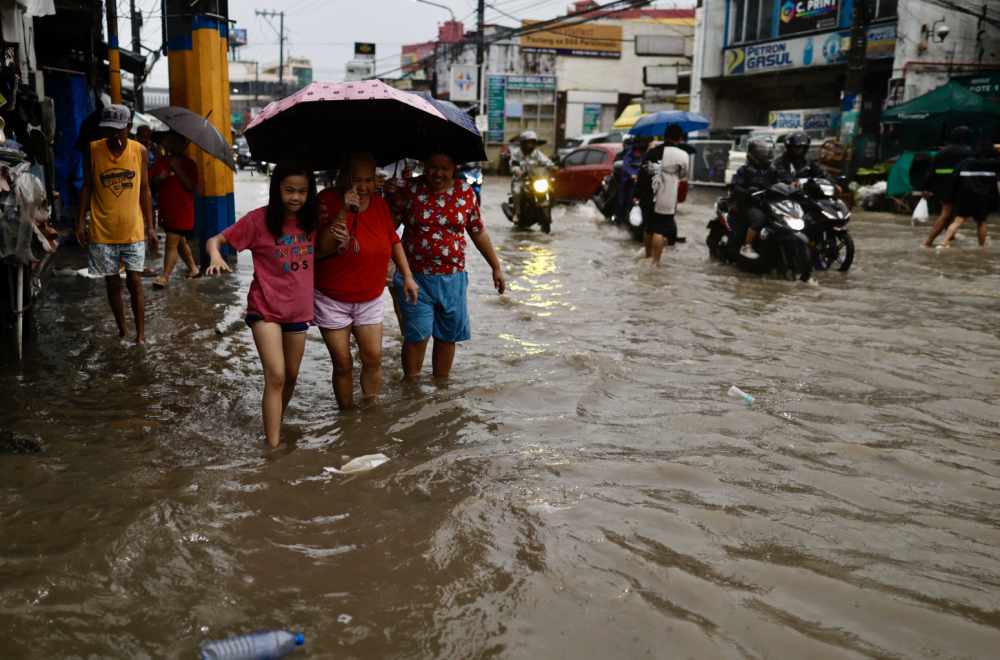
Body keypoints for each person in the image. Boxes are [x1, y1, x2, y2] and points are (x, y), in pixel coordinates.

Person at [203, 161, 318, 447]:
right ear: (276, 188)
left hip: (298, 310)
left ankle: (274, 421)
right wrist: (216, 256)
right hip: (264, 309)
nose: (295, 197)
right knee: (276, 374)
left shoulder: (314, 221)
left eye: (302, 191)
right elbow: (214, 240)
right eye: (289, 190)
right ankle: (273, 448)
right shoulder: (258, 220)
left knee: (290, 377)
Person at [314, 151, 419, 409]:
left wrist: (406, 276)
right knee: (343, 363)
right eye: (356, 180)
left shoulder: (380, 204)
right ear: (341, 177)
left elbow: (393, 240)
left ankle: (371, 414)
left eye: (369, 180)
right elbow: (321, 247)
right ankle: (347, 416)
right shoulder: (326, 199)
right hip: (332, 298)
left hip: (370, 296)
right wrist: (343, 210)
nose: (363, 187)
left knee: (373, 358)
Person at [391, 148, 505, 379]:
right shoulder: (409, 189)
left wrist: (496, 267)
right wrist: (395, 205)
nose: (438, 173)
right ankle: (411, 389)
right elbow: (388, 231)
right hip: (414, 278)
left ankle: (440, 391)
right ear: (424, 165)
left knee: (447, 336)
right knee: (416, 337)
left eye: (445, 168)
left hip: (453, 279)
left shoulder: (466, 192)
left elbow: (477, 231)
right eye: (433, 166)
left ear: (454, 168)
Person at [74, 104, 159, 344]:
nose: (113, 135)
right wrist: (80, 223)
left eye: (118, 131)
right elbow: (87, 186)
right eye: (109, 130)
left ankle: (141, 336)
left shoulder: (139, 151)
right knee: (112, 282)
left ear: (129, 128)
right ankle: (123, 331)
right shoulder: (93, 150)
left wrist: (150, 227)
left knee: (135, 281)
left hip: (133, 228)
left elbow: (144, 188)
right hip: (102, 230)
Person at [150, 131, 200, 287]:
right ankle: (193, 269)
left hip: (182, 211)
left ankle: (164, 277)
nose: (170, 146)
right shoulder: (162, 161)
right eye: (168, 142)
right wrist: (159, 178)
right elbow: (149, 180)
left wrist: (178, 169)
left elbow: (191, 186)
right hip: (167, 210)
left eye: (173, 143)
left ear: (182, 144)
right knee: (180, 243)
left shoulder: (189, 164)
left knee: (171, 243)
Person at [935, 140, 1000, 249]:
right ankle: (982, 247)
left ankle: (944, 242)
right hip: (982, 198)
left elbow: (953, 179)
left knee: (958, 221)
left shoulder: (966, 162)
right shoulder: (993, 163)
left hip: (965, 196)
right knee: (982, 222)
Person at [921, 126, 975, 247]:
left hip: (942, 187)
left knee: (949, 213)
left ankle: (951, 237)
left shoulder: (942, 152)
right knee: (947, 214)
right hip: (960, 186)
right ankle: (928, 241)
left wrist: (926, 188)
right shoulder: (968, 151)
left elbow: (931, 171)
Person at [648, 124, 690, 267]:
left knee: (649, 227)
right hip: (667, 195)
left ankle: (647, 257)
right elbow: (684, 175)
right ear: (679, 138)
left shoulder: (653, 152)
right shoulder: (683, 155)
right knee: (660, 229)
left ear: (664, 136)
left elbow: (645, 172)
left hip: (650, 193)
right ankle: (655, 262)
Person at [732, 136, 777, 260]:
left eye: (769, 152)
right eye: (763, 152)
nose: (767, 155)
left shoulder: (773, 170)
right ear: (754, 154)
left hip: (768, 204)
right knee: (759, 218)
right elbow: (735, 187)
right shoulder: (744, 170)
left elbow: (783, 182)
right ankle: (747, 246)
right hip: (748, 204)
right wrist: (747, 192)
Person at [507, 131, 557, 222]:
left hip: (535, 180)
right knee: (517, 192)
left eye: (531, 143)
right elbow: (513, 165)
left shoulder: (537, 154)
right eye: (527, 143)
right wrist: (518, 172)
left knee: (550, 189)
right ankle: (517, 214)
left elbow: (546, 162)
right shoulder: (517, 154)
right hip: (521, 180)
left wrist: (552, 166)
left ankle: (549, 208)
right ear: (522, 143)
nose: (529, 145)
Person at [767, 131, 833, 185]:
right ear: (789, 147)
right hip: (789, 195)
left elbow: (821, 173)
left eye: (802, 148)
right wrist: (792, 183)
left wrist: (832, 183)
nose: (800, 150)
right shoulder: (781, 162)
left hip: (807, 193)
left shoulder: (808, 161)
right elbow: (781, 177)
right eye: (797, 148)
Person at [615, 135, 649, 229]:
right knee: (624, 202)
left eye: (646, 143)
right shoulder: (630, 154)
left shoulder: (648, 154)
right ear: (637, 144)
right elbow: (627, 166)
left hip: (644, 184)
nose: (645, 145)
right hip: (629, 184)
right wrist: (632, 175)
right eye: (642, 142)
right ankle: (622, 224)